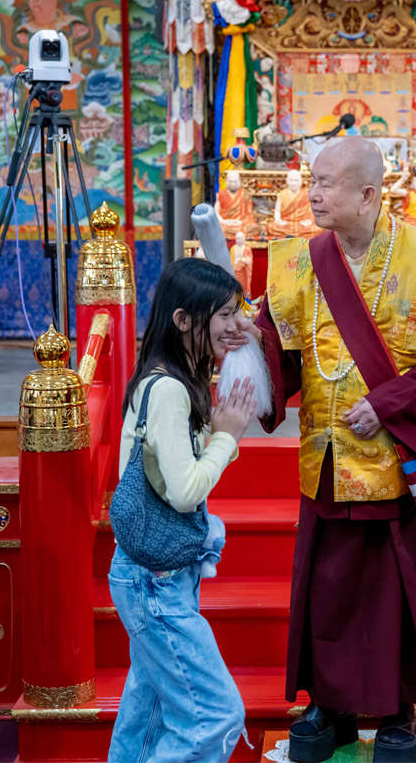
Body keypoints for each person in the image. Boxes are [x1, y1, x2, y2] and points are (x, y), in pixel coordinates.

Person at [248, 136, 416, 762]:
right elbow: (279, 360)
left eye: (326, 183)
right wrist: (247, 349)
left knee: (390, 595)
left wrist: (390, 403)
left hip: (388, 464)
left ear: (369, 194)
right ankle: (330, 707)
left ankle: (399, 713)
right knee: (325, 590)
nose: (313, 194)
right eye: (312, 181)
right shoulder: (297, 264)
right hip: (325, 460)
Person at [106, 257, 257, 763]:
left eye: (238, 312)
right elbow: (186, 492)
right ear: (184, 320)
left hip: (153, 575)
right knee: (216, 716)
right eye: (225, 315)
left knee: (147, 713)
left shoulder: (171, 377)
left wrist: (222, 432)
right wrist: (226, 437)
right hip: (155, 583)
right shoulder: (169, 389)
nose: (236, 325)